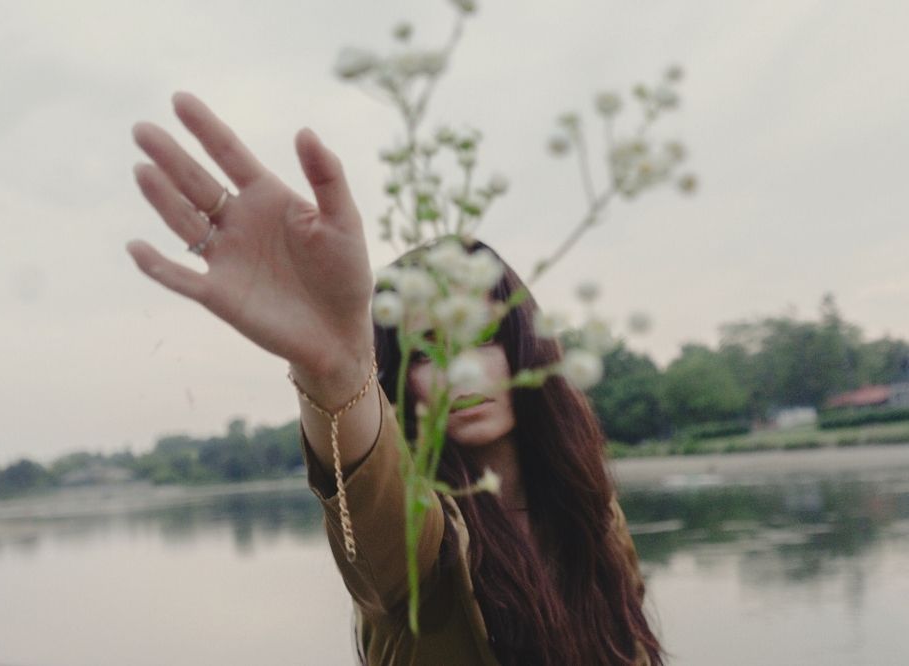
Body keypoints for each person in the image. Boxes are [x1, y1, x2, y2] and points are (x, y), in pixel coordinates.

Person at [128, 92, 663, 665]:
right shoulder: (419, 544)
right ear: (401, 379)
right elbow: (374, 501)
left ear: (526, 347)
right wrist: (332, 366)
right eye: (427, 352)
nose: (459, 370)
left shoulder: (592, 511)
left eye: (481, 339)